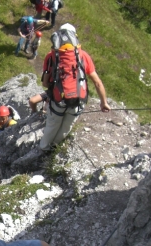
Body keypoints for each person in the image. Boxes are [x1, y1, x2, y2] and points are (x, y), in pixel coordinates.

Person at [40, 23, 111, 151]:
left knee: (52, 125)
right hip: (78, 99)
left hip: (58, 99)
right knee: (66, 126)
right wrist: (103, 102)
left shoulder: (51, 57)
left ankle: (43, 148)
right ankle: (54, 148)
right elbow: (97, 82)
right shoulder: (83, 56)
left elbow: (45, 83)